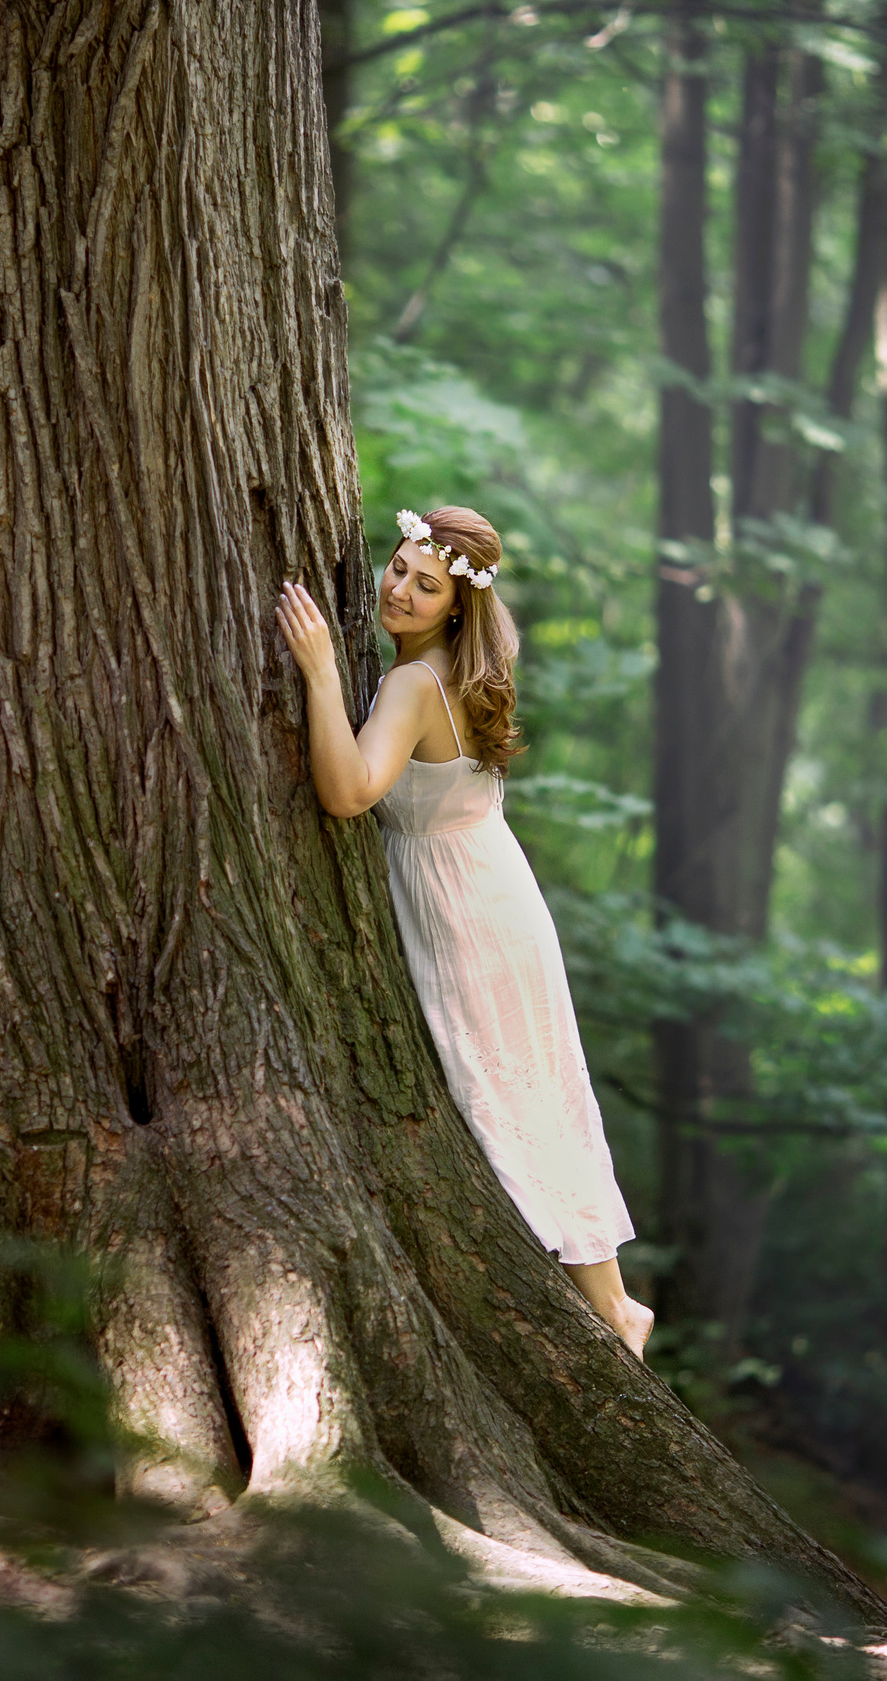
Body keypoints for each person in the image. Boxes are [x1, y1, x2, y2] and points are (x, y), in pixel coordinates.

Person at [274, 504, 652, 1357]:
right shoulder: (451, 665)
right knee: (537, 1089)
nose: (399, 590)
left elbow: (348, 792)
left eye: (426, 585)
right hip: (494, 889)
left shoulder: (415, 682)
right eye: (399, 568)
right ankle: (615, 1302)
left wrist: (322, 675)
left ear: (457, 605)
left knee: (515, 1093)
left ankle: (615, 1309)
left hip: (470, 912)